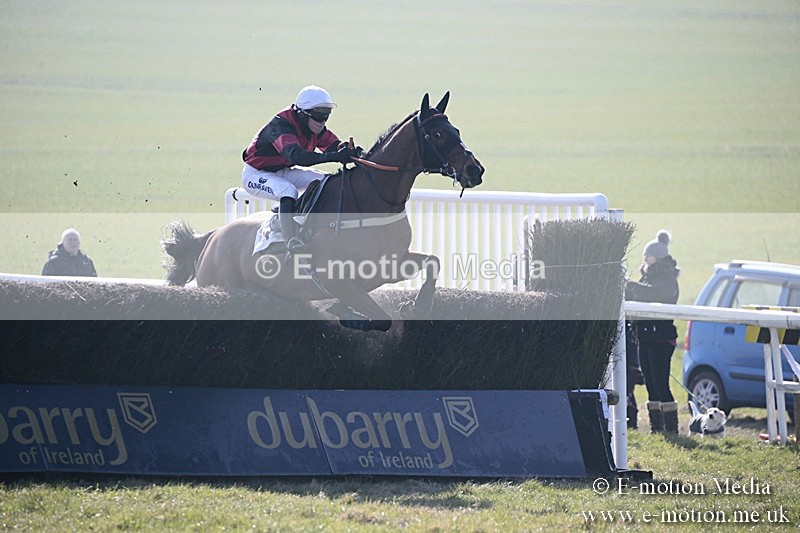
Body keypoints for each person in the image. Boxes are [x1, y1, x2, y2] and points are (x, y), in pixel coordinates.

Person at [241, 85, 360, 245]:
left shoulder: (314, 127)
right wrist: (336, 157)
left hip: (283, 170)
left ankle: (309, 223)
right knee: (287, 191)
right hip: (256, 174)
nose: (323, 121)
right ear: (302, 114)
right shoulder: (281, 125)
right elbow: (297, 156)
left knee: (326, 181)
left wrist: (353, 152)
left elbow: (333, 146)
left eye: (326, 116)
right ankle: (291, 239)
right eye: (319, 116)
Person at [625, 230, 680, 434]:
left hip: (661, 338)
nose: (645, 259)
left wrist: (631, 285)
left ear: (657, 257)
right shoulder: (648, 278)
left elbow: (654, 294)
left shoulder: (667, 281)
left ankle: (671, 430)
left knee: (660, 383)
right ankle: (657, 429)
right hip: (645, 337)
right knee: (650, 384)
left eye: (648, 255)